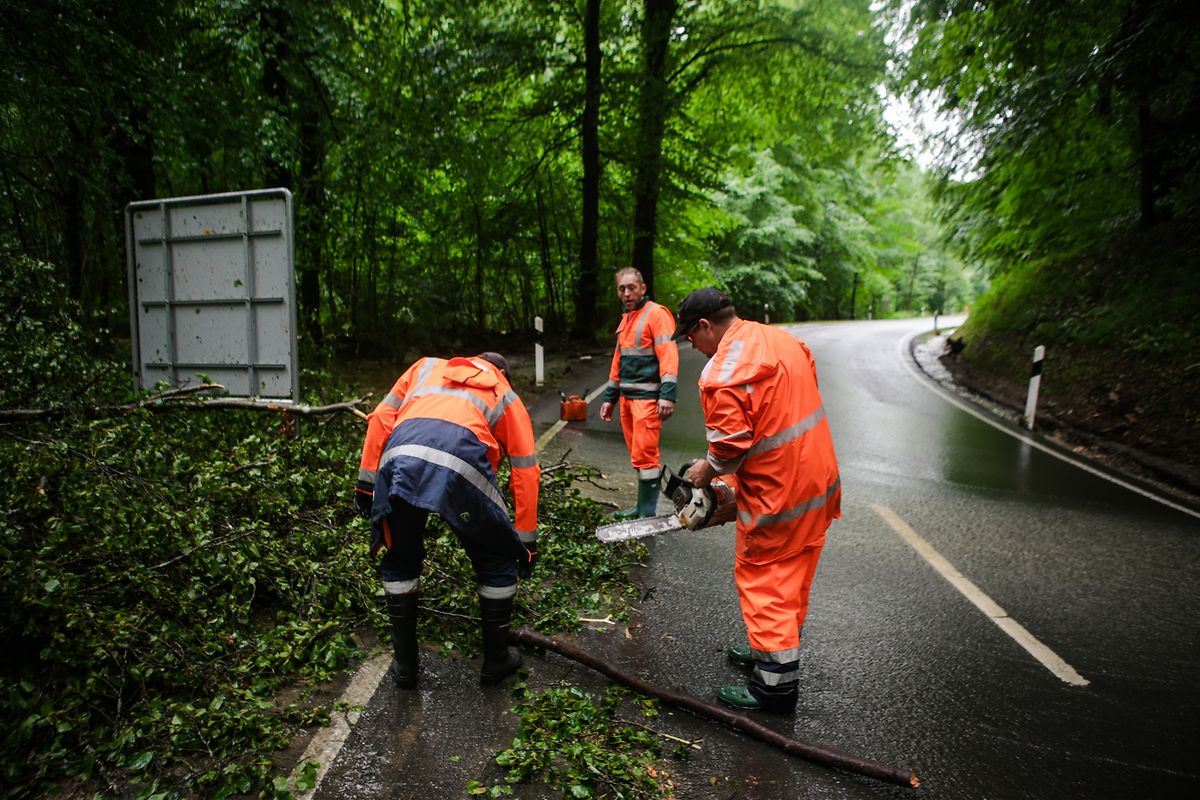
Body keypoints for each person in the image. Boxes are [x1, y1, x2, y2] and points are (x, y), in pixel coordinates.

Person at [673, 288, 841, 712]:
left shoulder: (722, 373)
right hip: (817, 477)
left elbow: (729, 447)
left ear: (706, 326)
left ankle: (774, 688)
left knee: (763, 576)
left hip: (778, 494)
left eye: (691, 336)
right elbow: (783, 410)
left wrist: (704, 471)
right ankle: (772, 649)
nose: (690, 344)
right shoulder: (782, 340)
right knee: (795, 570)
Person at [353, 352, 540, 689]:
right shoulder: (503, 392)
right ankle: (495, 662)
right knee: (496, 559)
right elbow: (525, 468)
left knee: (401, 557)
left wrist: (366, 483)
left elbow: (381, 417)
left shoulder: (425, 367)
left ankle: (406, 667)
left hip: (400, 459)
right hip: (462, 466)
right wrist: (525, 542)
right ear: (502, 373)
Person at [599, 267, 679, 519]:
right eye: (622, 288)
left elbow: (668, 355)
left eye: (631, 287)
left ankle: (647, 513)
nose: (626, 293)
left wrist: (667, 395)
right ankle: (640, 508)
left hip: (647, 400)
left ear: (643, 288)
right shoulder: (627, 319)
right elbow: (617, 362)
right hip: (626, 399)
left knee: (646, 455)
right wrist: (609, 399)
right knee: (637, 455)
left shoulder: (656, 315)